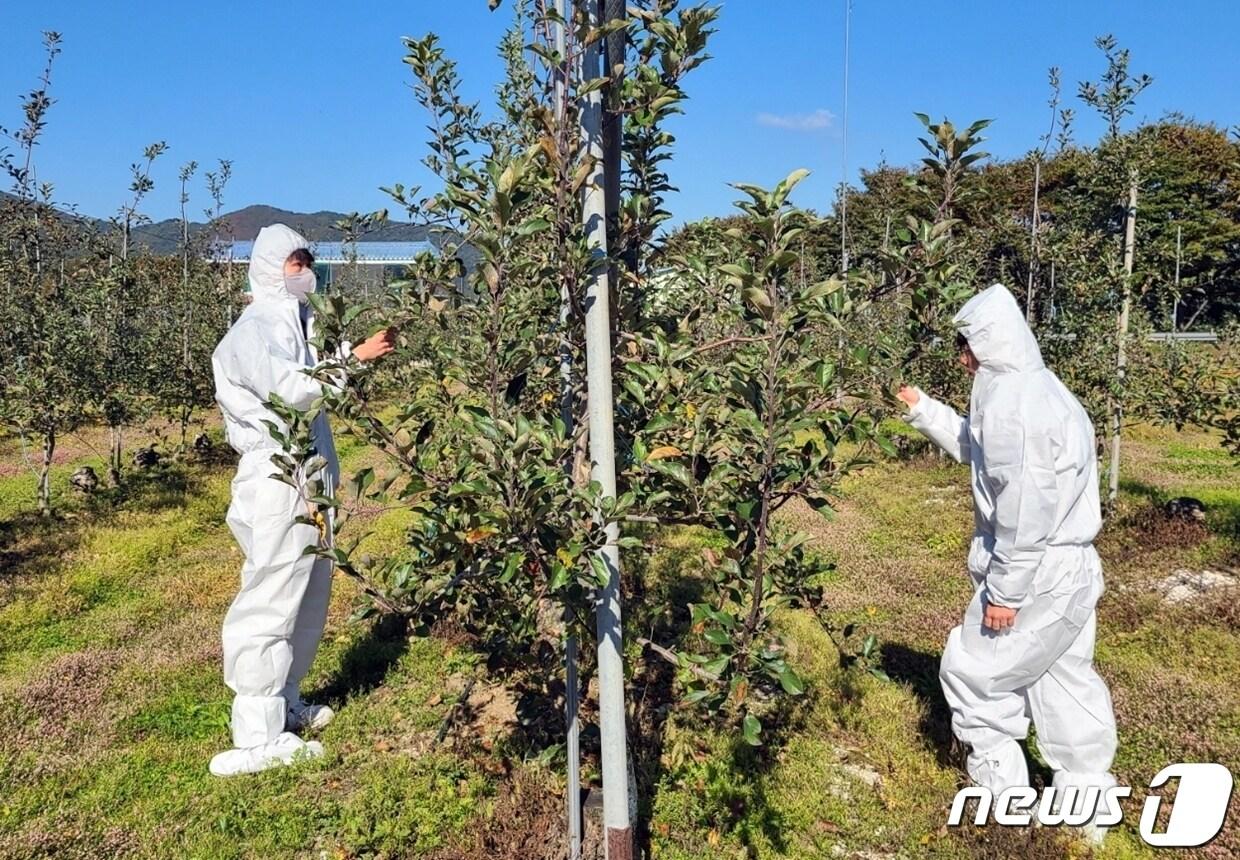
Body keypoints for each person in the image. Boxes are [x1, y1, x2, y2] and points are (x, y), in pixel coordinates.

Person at [897, 284, 1118, 839]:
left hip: (1037, 572)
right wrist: (925, 411)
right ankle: (1086, 807)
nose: (962, 357)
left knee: (973, 674)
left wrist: (1005, 593)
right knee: (1064, 681)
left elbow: (1025, 506)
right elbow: (980, 449)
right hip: (1066, 567)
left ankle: (1003, 801)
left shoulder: (1017, 405)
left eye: (966, 345)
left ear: (990, 343)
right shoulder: (1031, 391)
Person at [209, 224, 395, 776]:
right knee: (271, 594)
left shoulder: (295, 325)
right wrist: (353, 359)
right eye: (294, 262)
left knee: (308, 593)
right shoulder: (253, 330)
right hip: (277, 478)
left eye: (307, 260)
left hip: (308, 476)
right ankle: (255, 733)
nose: (303, 270)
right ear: (269, 268)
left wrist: (347, 356)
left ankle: (285, 698)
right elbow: (293, 392)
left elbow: (307, 378)